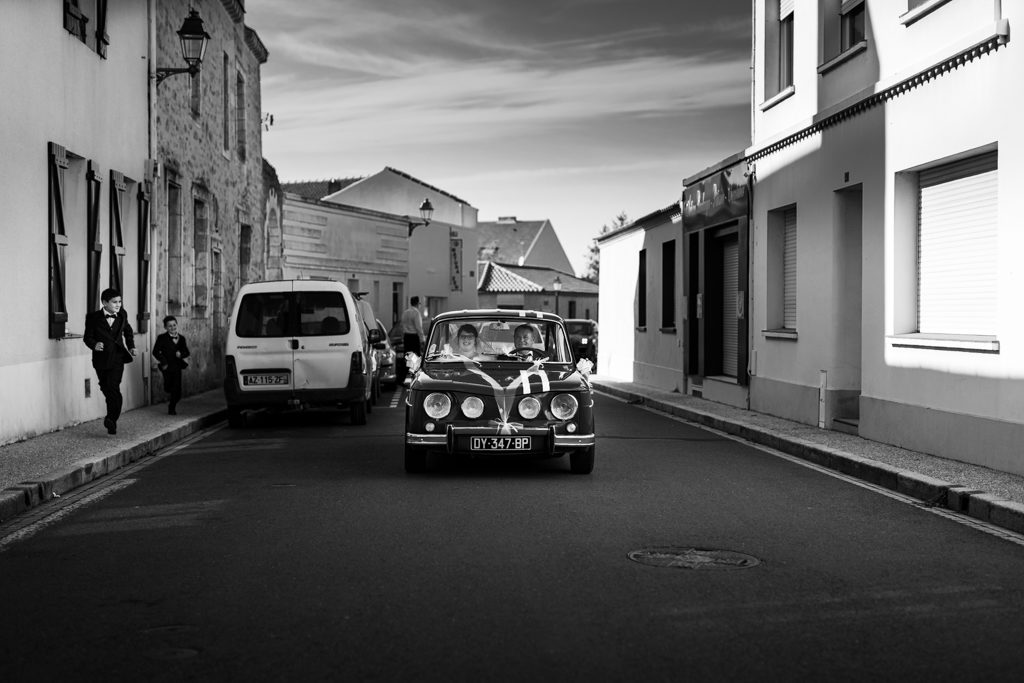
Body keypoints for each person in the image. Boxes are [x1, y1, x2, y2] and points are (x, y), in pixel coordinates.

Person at [83, 288, 136, 435]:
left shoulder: (122, 315)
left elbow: (128, 331)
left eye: (120, 302)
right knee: (106, 388)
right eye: (114, 302)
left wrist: (131, 347)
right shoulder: (92, 317)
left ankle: (111, 419)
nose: (118, 305)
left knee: (113, 386)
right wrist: (94, 344)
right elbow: (87, 337)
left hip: (118, 358)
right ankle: (112, 418)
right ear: (105, 302)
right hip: (101, 359)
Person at [152, 315, 191, 415]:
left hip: (177, 366)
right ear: (165, 327)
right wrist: (163, 361)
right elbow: (155, 351)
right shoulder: (162, 338)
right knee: (168, 387)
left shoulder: (181, 339)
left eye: (174, 325)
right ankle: (169, 390)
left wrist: (181, 354)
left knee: (177, 391)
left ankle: (172, 407)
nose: (172, 327)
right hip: (167, 367)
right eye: (169, 326)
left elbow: (186, 352)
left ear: (177, 325)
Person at [400, 296, 425, 383]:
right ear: (417, 303)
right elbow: (419, 328)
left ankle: (402, 378)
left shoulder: (405, 312)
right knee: (416, 358)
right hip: (414, 337)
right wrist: (422, 339)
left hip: (407, 337)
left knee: (407, 357)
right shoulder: (416, 313)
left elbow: (402, 325)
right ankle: (415, 378)